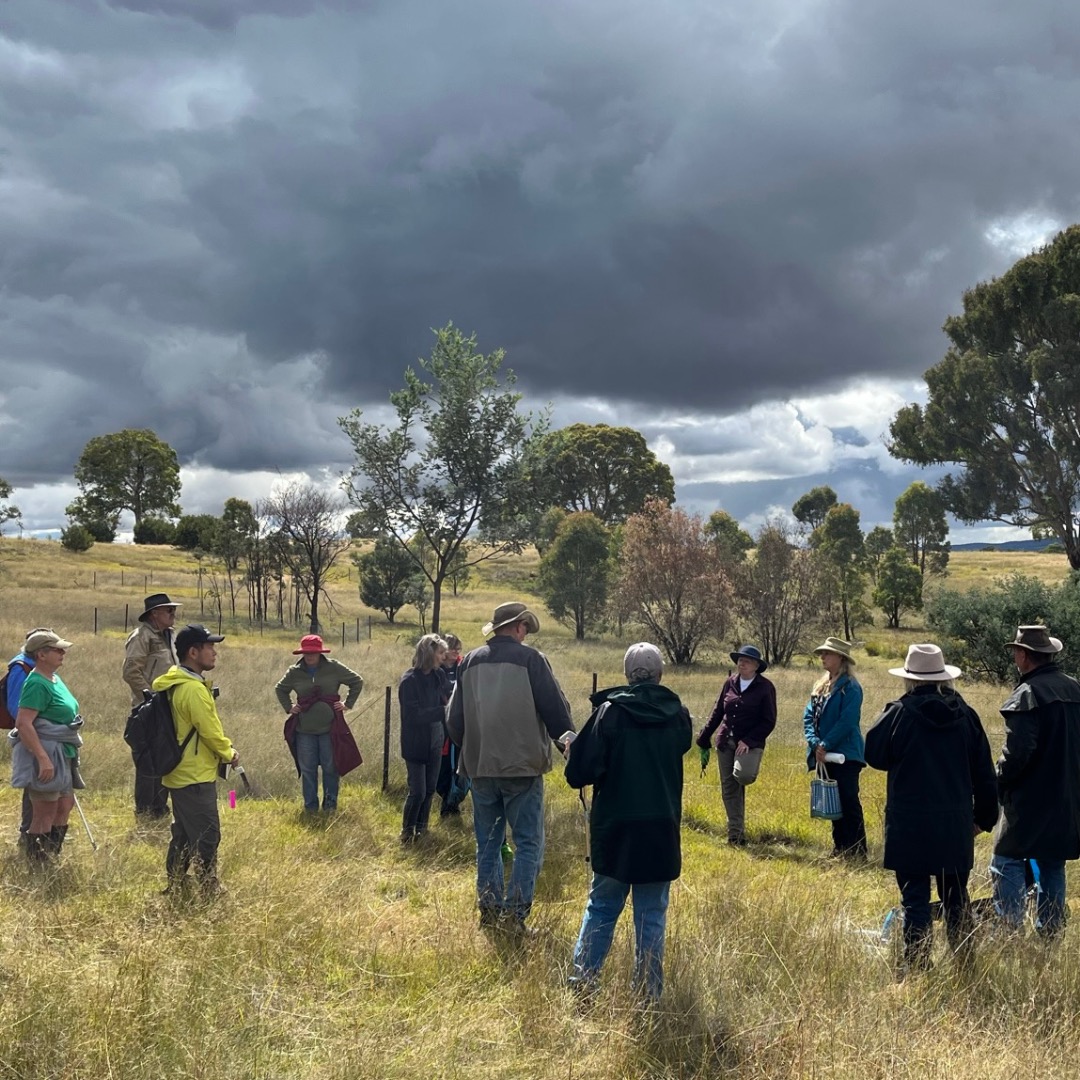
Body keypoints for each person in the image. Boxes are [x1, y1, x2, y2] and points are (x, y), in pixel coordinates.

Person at [565, 643, 692, 1001]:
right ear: (660, 674)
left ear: (626, 674)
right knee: (651, 914)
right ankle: (649, 993)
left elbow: (579, 774)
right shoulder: (678, 714)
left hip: (615, 828)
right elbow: (680, 745)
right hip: (660, 827)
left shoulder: (609, 713)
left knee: (603, 906)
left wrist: (576, 751)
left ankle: (582, 984)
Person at [865, 643, 998, 976]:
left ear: (909, 679)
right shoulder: (966, 715)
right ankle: (966, 966)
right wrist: (984, 818)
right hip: (954, 823)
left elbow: (874, 754)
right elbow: (984, 771)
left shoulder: (899, 713)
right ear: (943, 678)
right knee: (956, 899)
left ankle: (918, 970)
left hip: (909, 823)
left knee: (916, 901)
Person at [447, 601, 574, 934]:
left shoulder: (469, 662)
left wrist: (474, 747)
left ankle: (489, 912)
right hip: (522, 767)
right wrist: (569, 746)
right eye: (526, 628)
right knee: (528, 842)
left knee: (487, 842)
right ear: (518, 627)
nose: (526, 634)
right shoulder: (532, 660)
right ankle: (515, 917)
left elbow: (454, 720)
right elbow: (555, 710)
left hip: (480, 767)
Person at [991, 625, 1080, 937]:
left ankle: (1009, 931)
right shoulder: (1075, 689)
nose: (1014, 655)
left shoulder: (1028, 694)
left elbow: (1017, 755)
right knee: (1053, 864)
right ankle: (1051, 933)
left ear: (1025, 656)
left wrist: (997, 781)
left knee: (1006, 858)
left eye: (1016, 650)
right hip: (1067, 798)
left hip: (1030, 801)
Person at [156, 624, 238, 899]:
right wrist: (229, 753)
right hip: (193, 775)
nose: (214, 653)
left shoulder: (177, 681)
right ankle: (207, 886)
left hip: (181, 772)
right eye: (209, 647)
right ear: (193, 652)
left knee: (184, 833)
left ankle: (177, 884)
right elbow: (211, 732)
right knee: (207, 834)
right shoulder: (192, 689)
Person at [9, 630, 84, 866]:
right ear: (41, 654)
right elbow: (23, 723)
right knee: (45, 811)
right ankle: (37, 865)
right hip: (48, 755)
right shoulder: (36, 683)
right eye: (57, 650)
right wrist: (43, 758)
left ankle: (51, 857)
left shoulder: (53, 678)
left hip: (63, 754)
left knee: (64, 805)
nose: (63, 653)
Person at [695, 644, 776, 847]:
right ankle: (736, 836)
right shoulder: (729, 682)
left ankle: (737, 830)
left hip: (750, 743)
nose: (742, 663)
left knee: (743, 776)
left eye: (747, 660)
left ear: (757, 666)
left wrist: (748, 740)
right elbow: (717, 712)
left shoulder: (765, 687)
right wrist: (704, 737)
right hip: (725, 741)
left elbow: (769, 720)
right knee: (729, 788)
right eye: (740, 659)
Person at [275, 635, 364, 813]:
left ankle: (330, 806)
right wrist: (289, 707)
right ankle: (310, 808)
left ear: (320, 652)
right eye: (306, 652)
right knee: (308, 770)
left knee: (330, 767)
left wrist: (347, 704)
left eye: (313, 652)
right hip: (304, 730)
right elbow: (280, 688)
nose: (310, 656)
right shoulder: (294, 671)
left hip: (330, 729)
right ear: (302, 653)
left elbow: (357, 681)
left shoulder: (334, 667)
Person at [802, 636, 868, 860]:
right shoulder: (820, 685)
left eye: (827, 654)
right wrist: (814, 743)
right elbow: (808, 716)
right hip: (824, 754)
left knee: (849, 801)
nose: (822, 657)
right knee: (833, 802)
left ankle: (858, 851)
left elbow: (847, 721)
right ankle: (840, 847)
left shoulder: (851, 687)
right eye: (822, 653)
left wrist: (825, 743)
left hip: (846, 755)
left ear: (840, 658)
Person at [123, 593, 181, 818]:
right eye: (169, 610)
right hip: (149, 709)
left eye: (173, 610)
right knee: (149, 760)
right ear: (154, 614)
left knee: (166, 755)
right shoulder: (141, 636)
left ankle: (160, 807)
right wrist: (150, 698)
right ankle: (146, 810)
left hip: (169, 706)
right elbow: (130, 672)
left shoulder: (171, 635)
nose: (173, 614)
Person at [398, 634, 449, 843]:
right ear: (429, 654)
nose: (444, 657)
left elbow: (448, 695)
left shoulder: (439, 676)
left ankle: (422, 829)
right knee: (417, 791)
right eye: (440, 653)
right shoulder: (409, 681)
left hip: (436, 739)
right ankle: (407, 832)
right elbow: (413, 716)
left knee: (429, 789)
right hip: (415, 743)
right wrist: (443, 711)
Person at [6, 627, 50, 847]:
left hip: (43, 735)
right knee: (34, 785)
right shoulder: (20, 668)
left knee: (43, 787)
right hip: (32, 735)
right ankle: (28, 834)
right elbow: (17, 709)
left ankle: (43, 831)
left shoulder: (39, 668)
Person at [436, 633, 468, 817]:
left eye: (459, 648)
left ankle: (453, 802)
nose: (456, 652)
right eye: (453, 648)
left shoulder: (463, 666)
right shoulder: (435, 669)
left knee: (459, 764)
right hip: (440, 725)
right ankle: (444, 796)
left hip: (461, 724)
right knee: (442, 765)